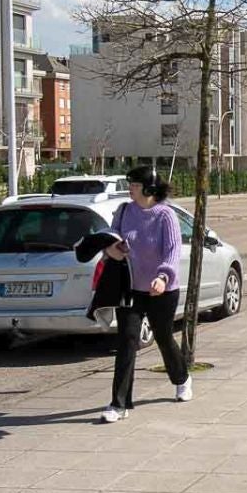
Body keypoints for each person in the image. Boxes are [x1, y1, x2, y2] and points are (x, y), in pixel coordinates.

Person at [100, 166, 190, 423]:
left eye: (135, 185)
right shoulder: (125, 211)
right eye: (130, 184)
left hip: (161, 289)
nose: (130, 188)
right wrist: (111, 249)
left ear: (149, 188)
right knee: (127, 341)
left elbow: (172, 252)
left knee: (163, 338)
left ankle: (181, 378)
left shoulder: (165, 215)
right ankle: (119, 404)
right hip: (130, 287)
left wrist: (162, 277)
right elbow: (113, 239)